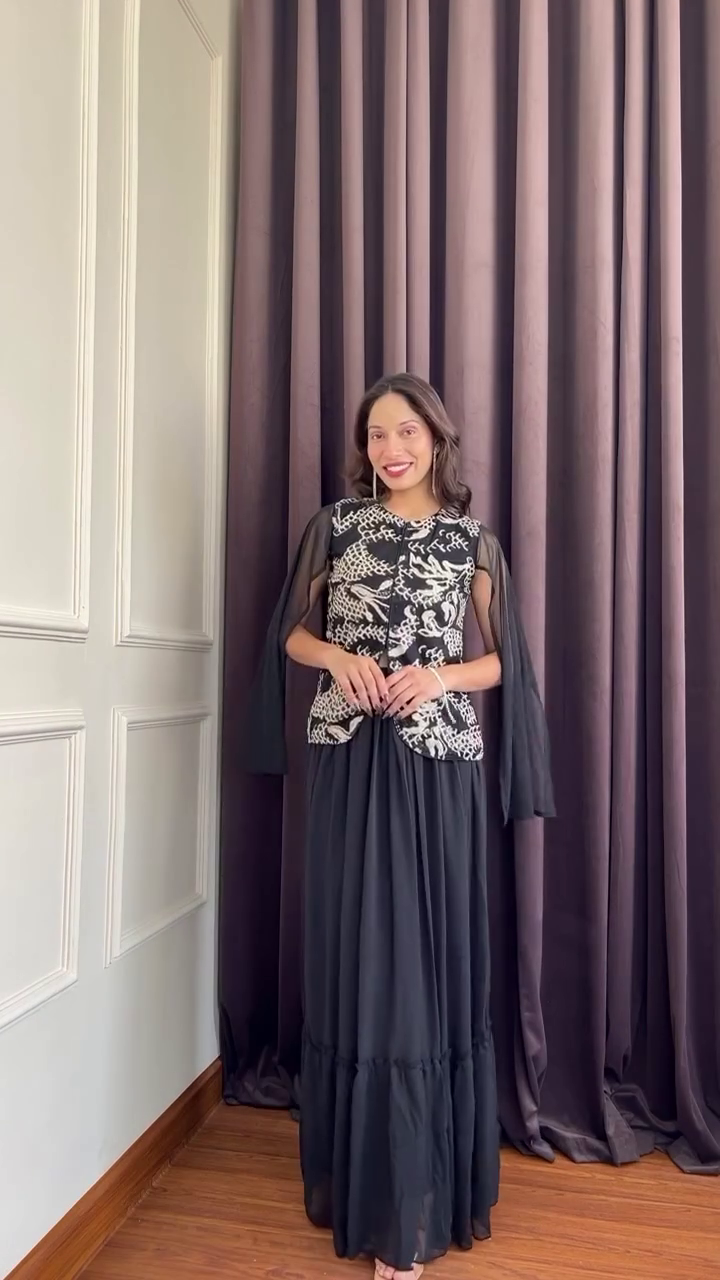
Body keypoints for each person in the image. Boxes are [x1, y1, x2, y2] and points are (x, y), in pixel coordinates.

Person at [244, 373, 554, 1279]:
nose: (391, 449)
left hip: (436, 773)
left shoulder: (473, 542)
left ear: (437, 439)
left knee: (419, 963)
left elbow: (506, 662)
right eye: (377, 434)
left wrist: (442, 675)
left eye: (407, 431)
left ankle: (412, 1204)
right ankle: (364, 1180)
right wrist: (337, 655)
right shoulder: (335, 527)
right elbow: (290, 634)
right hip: (349, 764)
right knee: (360, 958)